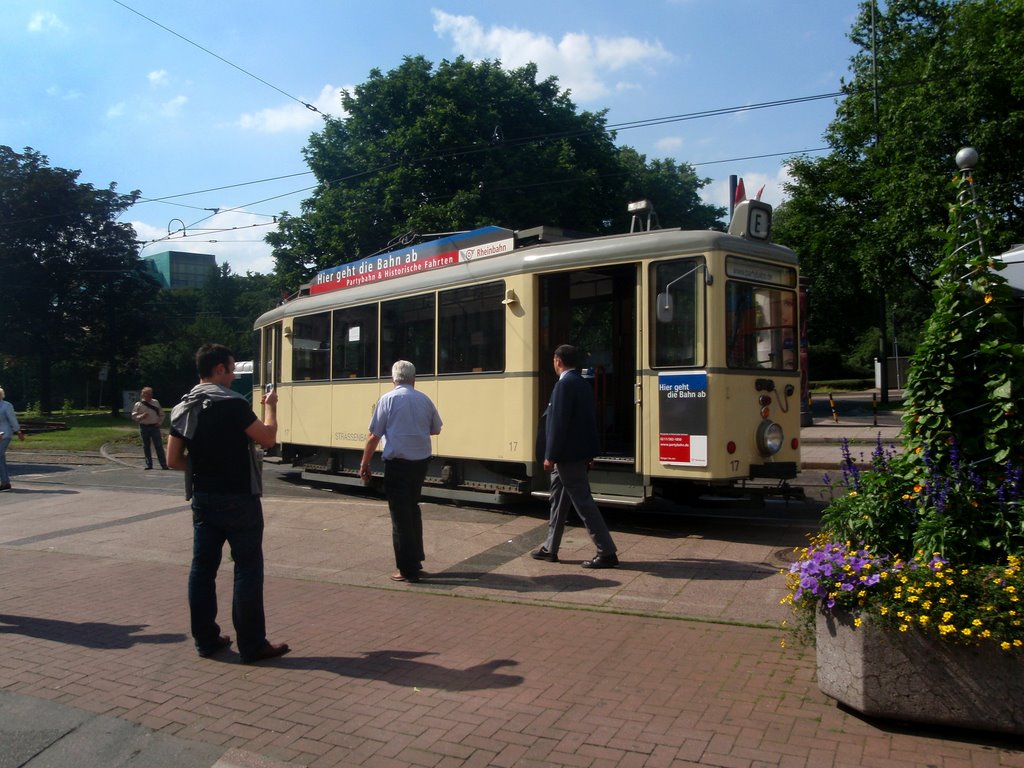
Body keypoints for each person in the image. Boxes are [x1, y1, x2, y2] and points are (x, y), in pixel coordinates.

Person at [167, 343, 289, 664]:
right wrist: (271, 407)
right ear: (219, 369)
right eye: (232, 370)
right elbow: (267, 439)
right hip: (239, 498)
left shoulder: (184, 407)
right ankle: (252, 645)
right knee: (247, 569)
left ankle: (206, 640)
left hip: (203, 498)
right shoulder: (233, 405)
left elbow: (173, 460)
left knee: (202, 569)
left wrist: (204, 466)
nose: (234, 376)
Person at [531, 344, 619, 568]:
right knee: (557, 501)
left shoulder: (564, 385)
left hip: (567, 457)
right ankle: (551, 548)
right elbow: (588, 421)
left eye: (553, 360)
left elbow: (558, 424)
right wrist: (590, 452)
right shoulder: (582, 383)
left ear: (558, 361)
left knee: (583, 503)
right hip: (575, 454)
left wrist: (550, 455)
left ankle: (606, 551)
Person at [359, 360, 442, 583]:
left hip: (398, 464)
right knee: (413, 511)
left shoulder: (387, 400)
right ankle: (416, 560)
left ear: (393, 378)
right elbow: (436, 429)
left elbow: (373, 436)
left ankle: (407, 569)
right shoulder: (424, 399)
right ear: (414, 379)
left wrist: (364, 463)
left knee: (400, 517)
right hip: (420, 464)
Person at [131, 386, 168, 470]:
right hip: (144, 427)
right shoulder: (138, 404)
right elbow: (133, 416)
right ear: (143, 395)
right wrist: (141, 416)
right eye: (148, 394)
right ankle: (149, 464)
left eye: (151, 393)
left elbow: (162, 414)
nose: (150, 395)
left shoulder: (156, 402)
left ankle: (163, 464)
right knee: (146, 446)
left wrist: (159, 423)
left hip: (154, 427)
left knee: (159, 446)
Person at [0, 387, 25, 492]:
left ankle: (5, 482)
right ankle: (5, 482)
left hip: (5, 435)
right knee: (0, 458)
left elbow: (12, 419)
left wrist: (18, 431)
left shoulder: (6, 406)